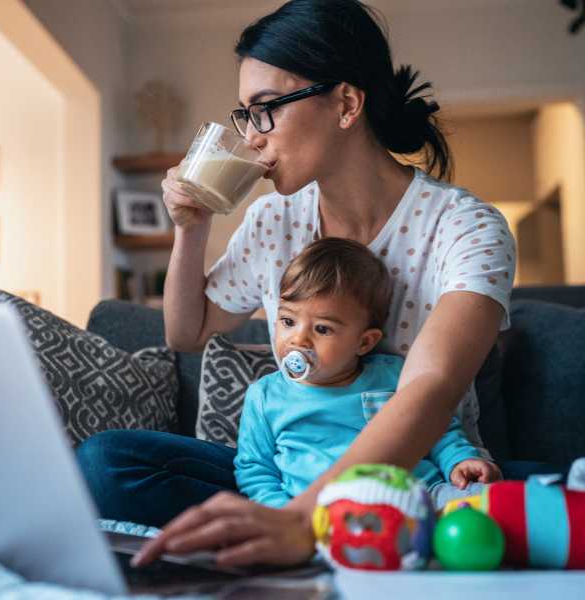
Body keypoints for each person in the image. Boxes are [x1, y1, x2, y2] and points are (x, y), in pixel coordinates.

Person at [77, 0, 557, 569]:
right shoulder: (272, 221)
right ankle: (297, 533)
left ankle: (314, 535)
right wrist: (191, 228)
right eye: (245, 115)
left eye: (266, 110)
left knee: (545, 503)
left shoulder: (466, 228)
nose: (253, 138)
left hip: (421, 479)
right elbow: (188, 332)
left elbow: (428, 389)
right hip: (289, 480)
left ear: (347, 103)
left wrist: (305, 519)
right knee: (108, 462)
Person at [233, 237, 501, 513]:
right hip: (321, 514)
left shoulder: (395, 375)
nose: (298, 339)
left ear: (365, 342)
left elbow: (436, 429)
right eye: (288, 322)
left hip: (420, 496)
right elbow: (255, 470)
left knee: (488, 503)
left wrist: (459, 460)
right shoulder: (265, 396)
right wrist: (282, 514)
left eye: (322, 329)